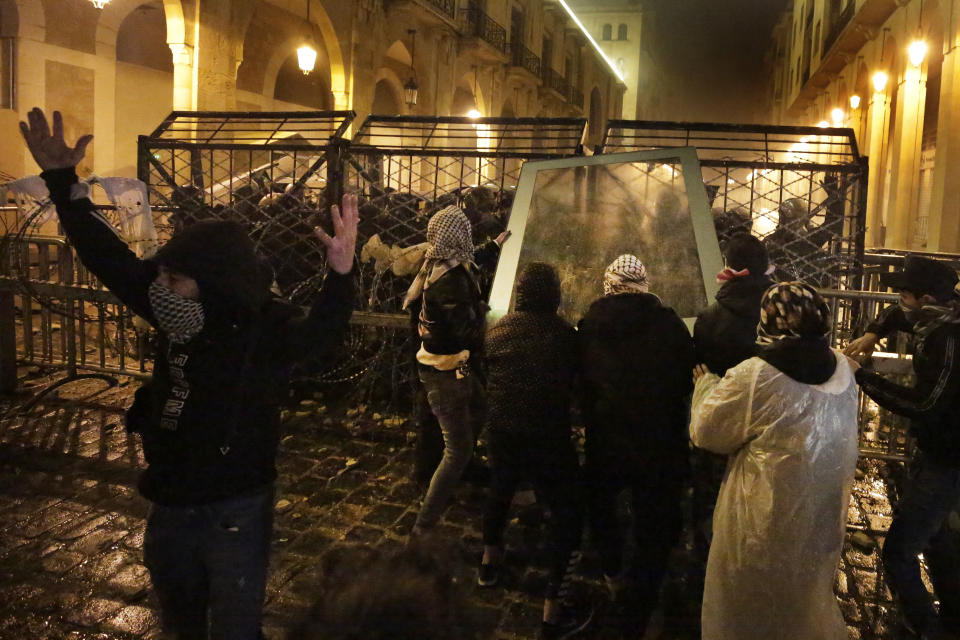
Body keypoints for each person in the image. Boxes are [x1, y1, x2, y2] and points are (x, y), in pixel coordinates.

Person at [20, 108, 358, 640]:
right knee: (179, 620)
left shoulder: (259, 323)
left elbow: (319, 337)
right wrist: (63, 182)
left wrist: (340, 275)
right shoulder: (174, 307)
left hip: (236, 504)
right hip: (171, 497)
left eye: (177, 278)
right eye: (164, 276)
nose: (162, 288)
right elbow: (107, 257)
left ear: (214, 282)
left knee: (234, 625)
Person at [690, 282, 859, 640]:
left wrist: (706, 385)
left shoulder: (757, 376)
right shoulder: (842, 367)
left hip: (763, 516)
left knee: (749, 602)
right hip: (819, 513)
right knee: (803, 598)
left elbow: (707, 431)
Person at [577, 255, 695, 636]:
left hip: (607, 437)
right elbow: (685, 377)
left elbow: (582, 380)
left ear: (609, 283)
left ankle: (611, 570)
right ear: (644, 284)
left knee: (603, 504)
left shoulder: (591, 323)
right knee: (653, 513)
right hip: (657, 439)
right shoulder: (669, 324)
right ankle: (645, 589)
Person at [845, 255, 960, 639]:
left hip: (948, 458)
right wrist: (874, 332)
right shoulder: (935, 320)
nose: (900, 303)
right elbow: (895, 318)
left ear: (925, 298)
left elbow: (925, 404)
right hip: (935, 451)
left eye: (905, 296)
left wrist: (864, 377)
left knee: (899, 551)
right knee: (939, 540)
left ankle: (927, 629)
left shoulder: (948, 340)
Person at [478, 262, 590, 639]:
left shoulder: (498, 332)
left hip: (502, 432)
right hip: (547, 438)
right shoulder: (564, 336)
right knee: (567, 513)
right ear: (554, 295)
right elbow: (578, 386)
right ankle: (553, 611)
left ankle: (489, 562)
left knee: (500, 488)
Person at [401, 205, 506, 536]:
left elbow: (465, 258)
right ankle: (424, 523)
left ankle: (457, 470)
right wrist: (492, 322)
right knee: (456, 450)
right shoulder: (451, 282)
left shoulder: (439, 262)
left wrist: (494, 247)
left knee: (478, 409)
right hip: (445, 372)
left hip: (446, 367)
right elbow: (465, 333)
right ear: (458, 235)